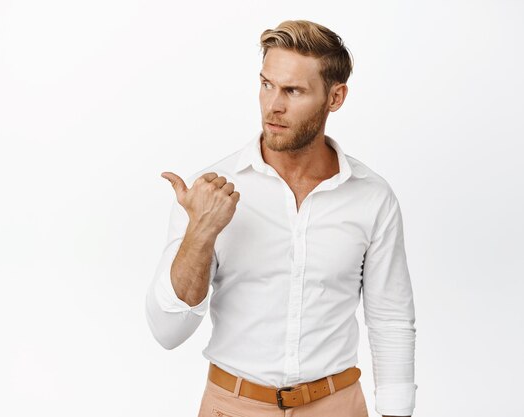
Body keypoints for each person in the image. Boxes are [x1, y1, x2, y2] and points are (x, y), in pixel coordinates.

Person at [145, 19, 417, 417]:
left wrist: (397, 412)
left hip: (337, 406)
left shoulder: (371, 197)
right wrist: (201, 231)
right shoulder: (208, 194)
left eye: (293, 90)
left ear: (335, 98)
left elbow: (390, 318)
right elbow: (167, 332)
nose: (273, 104)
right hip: (233, 406)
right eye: (267, 84)